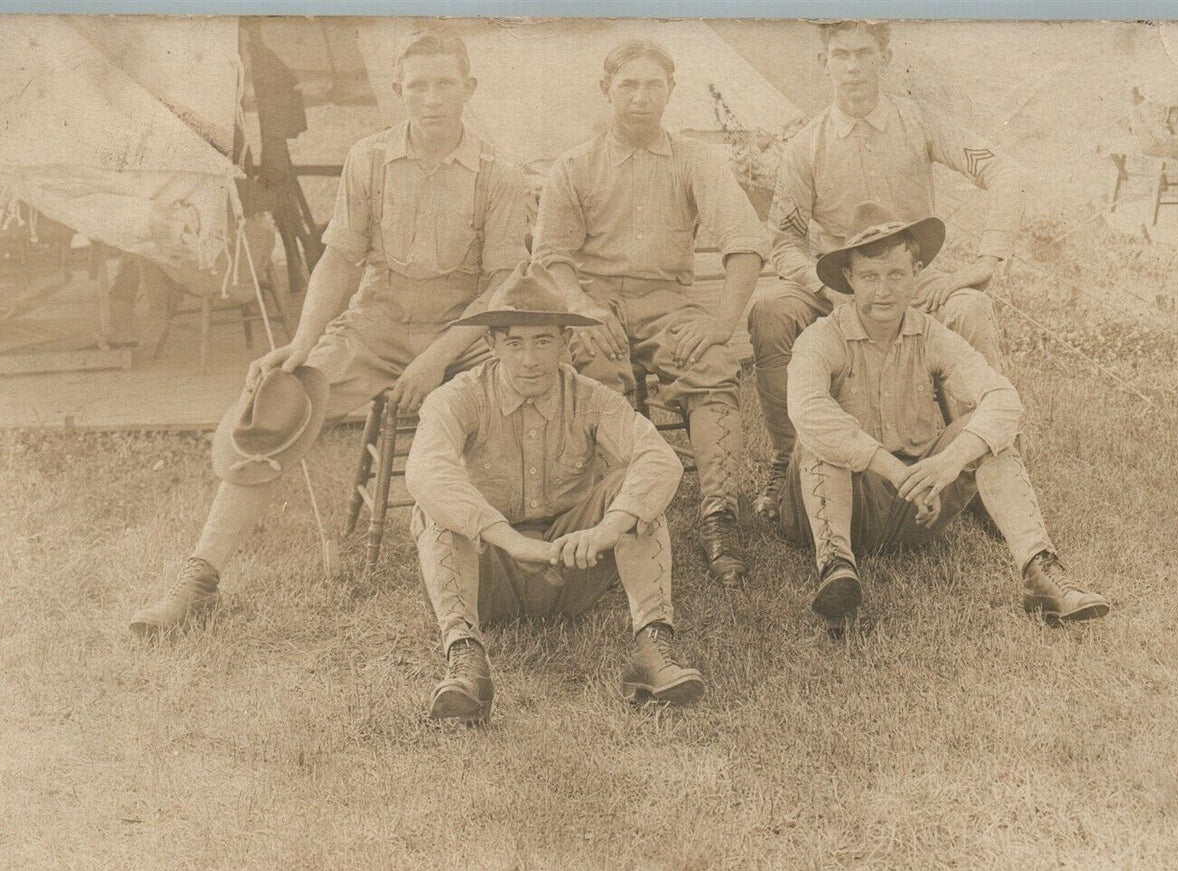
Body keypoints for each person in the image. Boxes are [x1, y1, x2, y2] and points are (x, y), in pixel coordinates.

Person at [131, 26, 529, 636]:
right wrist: (302, 343)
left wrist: (434, 360)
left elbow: (500, 287)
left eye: (444, 84)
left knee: (517, 402)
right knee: (277, 404)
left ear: (469, 88)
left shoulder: (500, 174)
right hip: (377, 324)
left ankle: (514, 566)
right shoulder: (369, 159)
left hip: (463, 335)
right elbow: (339, 259)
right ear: (397, 89)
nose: (430, 99)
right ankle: (199, 578)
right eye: (417, 86)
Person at [779, 203, 1108, 633]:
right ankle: (836, 568)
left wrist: (949, 462)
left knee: (991, 433)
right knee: (820, 437)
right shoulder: (822, 338)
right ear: (849, 279)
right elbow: (808, 411)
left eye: (896, 274)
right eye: (870, 277)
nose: (883, 291)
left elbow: (1003, 398)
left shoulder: (931, 334)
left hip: (917, 509)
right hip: (836, 505)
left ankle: (1041, 573)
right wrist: (895, 471)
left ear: (916, 273)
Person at [750, 19, 1027, 520]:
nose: (853, 67)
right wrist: (827, 288)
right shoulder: (806, 145)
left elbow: (1005, 171)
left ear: (885, 58)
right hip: (839, 283)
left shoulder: (920, 122)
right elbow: (784, 242)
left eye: (864, 53)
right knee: (771, 310)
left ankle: (984, 465)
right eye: (841, 55)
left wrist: (986, 260)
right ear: (824, 62)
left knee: (970, 307)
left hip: (907, 283)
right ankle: (788, 458)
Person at [406, 260, 703, 722]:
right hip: (489, 572)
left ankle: (653, 649)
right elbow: (426, 469)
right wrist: (510, 539)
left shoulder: (590, 396)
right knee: (436, 508)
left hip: (573, 564)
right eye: (515, 343)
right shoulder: (458, 397)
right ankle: (466, 662)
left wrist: (605, 531)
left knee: (637, 495)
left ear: (566, 343)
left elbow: (659, 459)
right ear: (491, 344)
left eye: (543, 341)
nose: (530, 359)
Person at [530, 38, 769, 589]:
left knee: (711, 366)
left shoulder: (694, 159)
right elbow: (551, 255)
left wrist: (721, 322)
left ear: (670, 91)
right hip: (595, 303)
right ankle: (611, 518)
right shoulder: (575, 164)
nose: (641, 97)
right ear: (606, 89)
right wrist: (580, 307)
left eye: (653, 85)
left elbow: (745, 242)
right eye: (628, 85)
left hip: (667, 300)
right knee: (593, 375)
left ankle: (718, 515)